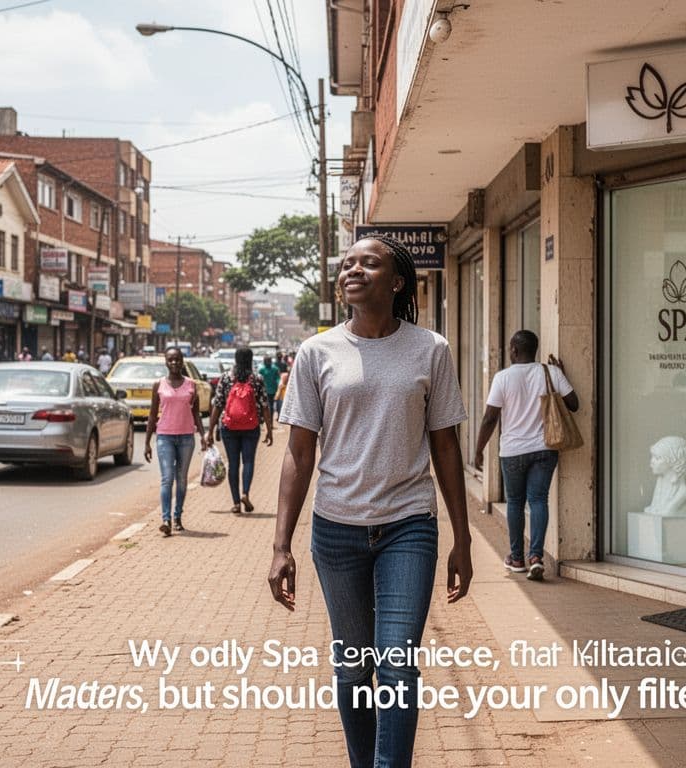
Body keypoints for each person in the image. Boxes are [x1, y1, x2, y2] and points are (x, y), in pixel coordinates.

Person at [270, 235, 471, 768]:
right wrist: (280, 545)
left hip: (409, 526)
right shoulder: (317, 352)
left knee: (398, 665)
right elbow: (298, 452)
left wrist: (463, 539)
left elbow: (446, 446)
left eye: (369, 263)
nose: (353, 270)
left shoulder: (431, 348)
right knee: (354, 668)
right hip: (336, 529)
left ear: (397, 280)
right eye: (347, 263)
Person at [472, 329, 580, 581]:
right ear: (535, 350)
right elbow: (574, 404)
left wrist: (478, 450)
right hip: (545, 449)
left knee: (515, 502)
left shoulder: (503, 378)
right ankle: (536, 557)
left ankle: (516, 558)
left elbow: (490, 418)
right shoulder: (550, 372)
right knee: (539, 500)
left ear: (513, 349)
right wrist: (560, 375)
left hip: (513, 451)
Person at [144, 347, 210, 536]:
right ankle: (166, 519)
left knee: (181, 479)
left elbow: (196, 413)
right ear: (166, 362)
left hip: (186, 438)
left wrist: (203, 436)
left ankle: (177, 516)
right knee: (166, 479)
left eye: (177, 359)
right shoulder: (159, 385)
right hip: (164, 436)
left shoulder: (191, 385)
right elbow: (151, 414)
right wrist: (147, 442)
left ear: (183, 361)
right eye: (171, 360)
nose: (174, 363)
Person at [209, 347, 273, 515]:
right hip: (251, 426)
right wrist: (269, 429)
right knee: (249, 461)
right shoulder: (257, 379)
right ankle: (245, 493)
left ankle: (236, 503)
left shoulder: (226, 378)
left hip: (229, 427)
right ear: (251, 360)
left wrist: (210, 430)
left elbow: (217, 404)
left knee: (233, 464)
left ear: (236, 360)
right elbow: (265, 405)